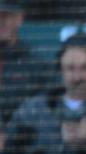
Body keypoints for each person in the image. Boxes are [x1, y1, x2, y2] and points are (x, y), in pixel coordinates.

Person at [4, 34, 86, 154]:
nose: (77, 77)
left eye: (85, 68)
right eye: (70, 68)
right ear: (60, 71)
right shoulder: (32, 111)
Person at [0, 0, 55, 131]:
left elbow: (44, 110)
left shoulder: (38, 65)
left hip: (20, 141)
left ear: (19, 18)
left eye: (6, 16)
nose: (1, 21)